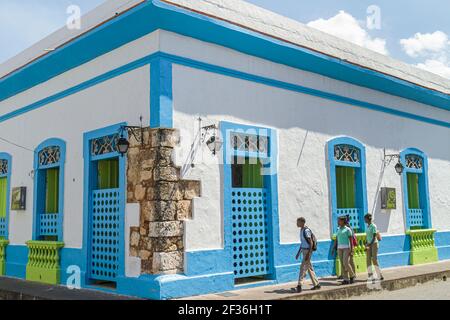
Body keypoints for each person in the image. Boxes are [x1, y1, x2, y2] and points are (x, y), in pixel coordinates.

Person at [295, 217, 321, 293]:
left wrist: (308, 254)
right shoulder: (301, 230)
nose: (297, 224)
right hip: (304, 250)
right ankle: (316, 284)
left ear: (302, 222)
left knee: (303, 268)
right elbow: (303, 243)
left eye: (298, 222)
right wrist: (298, 253)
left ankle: (300, 285)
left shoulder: (306, 230)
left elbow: (311, 243)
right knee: (309, 268)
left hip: (307, 251)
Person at [332, 216, 355, 285]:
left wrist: (352, 249)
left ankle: (352, 275)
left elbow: (351, 241)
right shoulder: (338, 229)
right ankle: (346, 279)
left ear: (343, 221)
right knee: (342, 264)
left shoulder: (348, 229)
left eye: (339, 220)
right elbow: (336, 239)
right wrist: (334, 247)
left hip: (346, 248)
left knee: (346, 263)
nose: (338, 222)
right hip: (339, 248)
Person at [365, 214, 384, 281]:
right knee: (368, 260)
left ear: (367, 219)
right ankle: (370, 275)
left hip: (374, 244)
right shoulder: (368, 226)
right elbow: (367, 236)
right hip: (369, 244)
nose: (364, 220)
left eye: (365, 219)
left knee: (374, 259)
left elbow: (374, 236)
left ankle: (380, 275)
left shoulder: (373, 226)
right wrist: (366, 244)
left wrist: (369, 244)